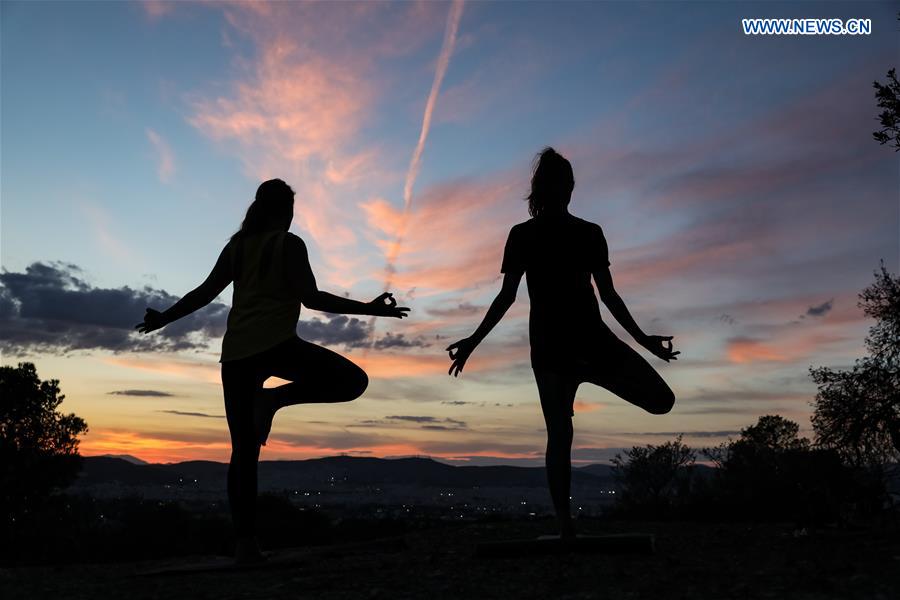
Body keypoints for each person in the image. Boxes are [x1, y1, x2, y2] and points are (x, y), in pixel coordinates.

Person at [135, 178, 409, 563]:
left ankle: (245, 544)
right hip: (276, 347)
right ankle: (276, 398)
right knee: (352, 381)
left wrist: (165, 318)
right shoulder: (287, 244)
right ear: (286, 212)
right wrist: (372, 308)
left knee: (243, 453)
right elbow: (312, 298)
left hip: (236, 358)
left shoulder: (238, 246)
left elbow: (204, 292)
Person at [446, 148, 678, 539]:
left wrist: (643, 341)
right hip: (554, 350)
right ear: (549, 189)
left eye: (567, 183)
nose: (565, 190)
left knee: (660, 401)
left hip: (590, 342)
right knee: (559, 434)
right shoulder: (523, 235)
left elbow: (608, 295)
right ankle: (565, 526)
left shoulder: (588, 232)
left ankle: (589, 379)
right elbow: (507, 296)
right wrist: (473, 341)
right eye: (560, 183)